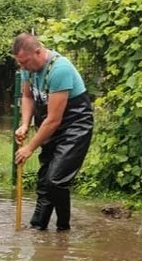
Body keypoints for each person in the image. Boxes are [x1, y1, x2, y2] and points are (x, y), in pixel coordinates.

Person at [11, 34, 94, 231]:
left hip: (75, 125)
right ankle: (38, 226)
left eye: (25, 62)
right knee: (45, 178)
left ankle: (63, 229)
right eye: (20, 63)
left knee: (55, 180)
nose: (23, 67)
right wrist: (24, 124)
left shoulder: (60, 69)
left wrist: (29, 148)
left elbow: (55, 119)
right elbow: (28, 96)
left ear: (38, 52)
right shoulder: (27, 70)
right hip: (49, 124)